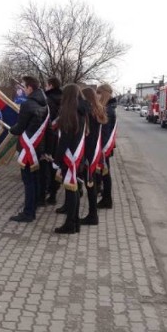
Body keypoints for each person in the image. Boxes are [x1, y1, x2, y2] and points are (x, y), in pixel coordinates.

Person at [8, 75, 49, 223]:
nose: (23, 90)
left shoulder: (27, 104)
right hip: (38, 148)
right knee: (35, 179)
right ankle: (33, 206)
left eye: (24, 87)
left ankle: (28, 213)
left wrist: (10, 129)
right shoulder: (45, 104)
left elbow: (20, 128)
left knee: (28, 181)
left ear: (30, 88)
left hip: (28, 149)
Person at [54, 84, 87, 234]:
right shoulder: (81, 111)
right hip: (76, 156)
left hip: (69, 157)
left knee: (71, 190)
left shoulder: (70, 113)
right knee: (73, 190)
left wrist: (57, 161)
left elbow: (64, 140)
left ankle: (70, 225)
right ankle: (74, 223)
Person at [80, 87, 108, 225]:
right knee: (91, 182)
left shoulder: (88, 111)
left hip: (89, 150)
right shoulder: (98, 109)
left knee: (89, 182)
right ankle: (93, 213)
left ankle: (93, 215)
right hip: (95, 149)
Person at [40, 77, 62, 205]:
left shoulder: (48, 100)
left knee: (48, 164)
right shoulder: (65, 99)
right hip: (60, 137)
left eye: (46, 85)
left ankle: (49, 192)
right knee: (57, 164)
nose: (45, 87)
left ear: (51, 85)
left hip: (50, 137)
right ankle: (54, 191)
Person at [96, 84, 117, 209]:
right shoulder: (109, 108)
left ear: (103, 94)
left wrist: (100, 148)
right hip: (104, 147)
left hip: (103, 147)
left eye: (99, 93)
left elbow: (104, 131)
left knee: (105, 174)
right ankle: (106, 198)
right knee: (105, 173)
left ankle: (107, 199)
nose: (97, 96)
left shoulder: (107, 110)